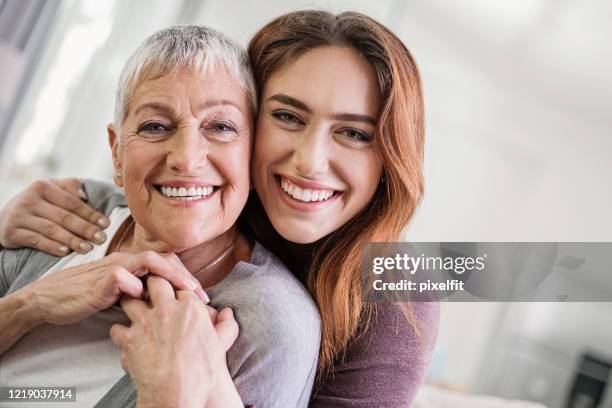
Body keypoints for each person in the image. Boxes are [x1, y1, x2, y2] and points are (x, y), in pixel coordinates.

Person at [0, 10, 439, 407]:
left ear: (391, 157)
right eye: (287, 117)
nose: (309, 161)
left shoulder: (398, 289)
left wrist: (184, 393)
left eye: (356, 133)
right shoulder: (100, 212)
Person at [0, 25, 320, 408]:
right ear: (117, 153)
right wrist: (28, 304)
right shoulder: (68, 214)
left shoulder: (271, 323)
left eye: (220, 127)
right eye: (155, 126)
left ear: (252, 157)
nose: (186, 158)